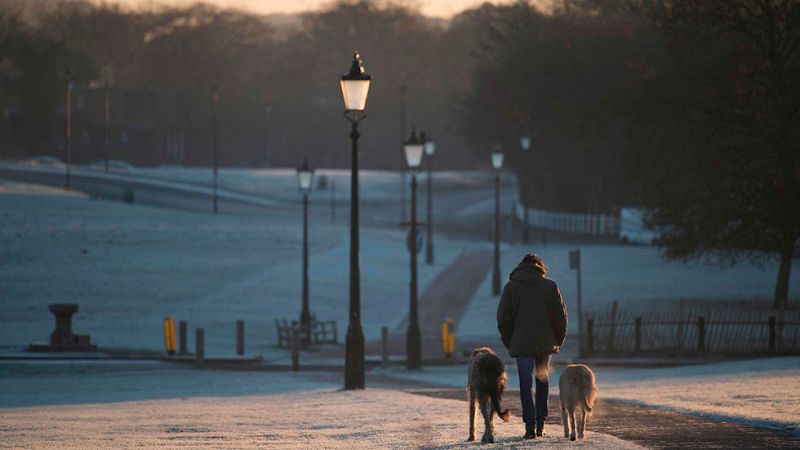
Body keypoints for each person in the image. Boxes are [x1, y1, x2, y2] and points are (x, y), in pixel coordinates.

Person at [497, 253, 567, 439]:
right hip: (544, 344)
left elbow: (503, 318)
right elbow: (560, 317)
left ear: (521, 266)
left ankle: (529, 427)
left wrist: (510, 341)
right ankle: (541, 423)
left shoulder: (511, 287)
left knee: (525, 385)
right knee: (542, 381)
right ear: (539, 266)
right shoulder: (550, 286)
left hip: (521, 344)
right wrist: (557, 340)